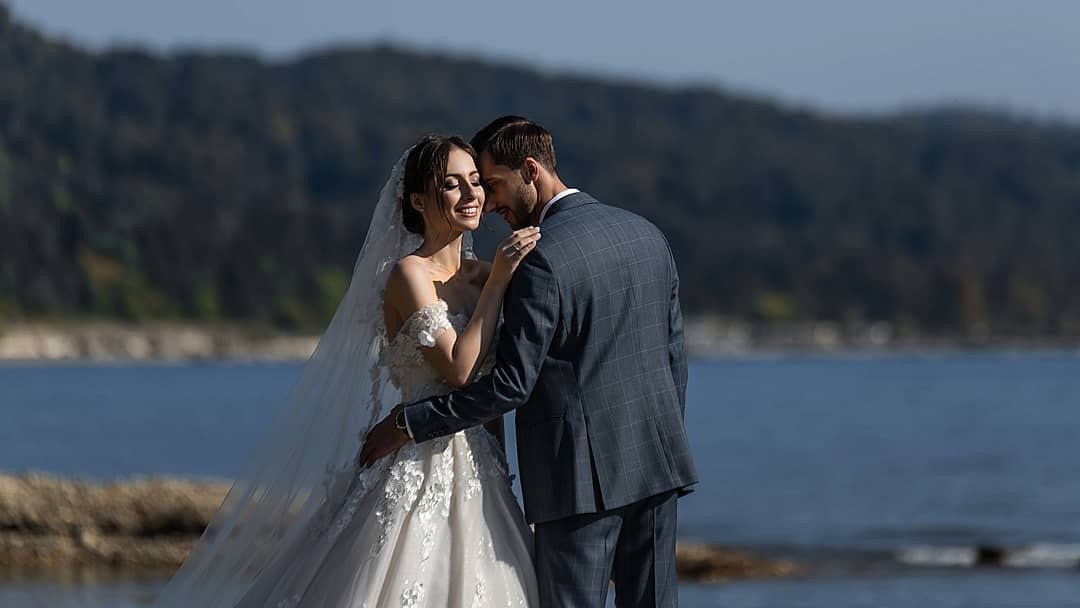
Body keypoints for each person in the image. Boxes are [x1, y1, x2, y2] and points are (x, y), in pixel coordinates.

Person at [151, 134, 540, 606]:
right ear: (419, 199)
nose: (470, 195)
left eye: (475, 182)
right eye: (452, 184)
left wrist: (501, 466)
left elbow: (491, 387)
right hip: (416, 464)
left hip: (484, 472)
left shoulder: (484, 275)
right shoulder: (409, 275)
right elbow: (459, 369)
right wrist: (500, 279)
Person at [362, 117, 698, 607]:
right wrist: (661, 440)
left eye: (490, 184)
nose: (489, 202)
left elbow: (510, 387)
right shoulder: (647, 234)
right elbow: (674, 361)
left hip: (577, 482)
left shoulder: (538, 259)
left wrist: (410, 423)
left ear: (531, 170)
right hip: (658, 468)